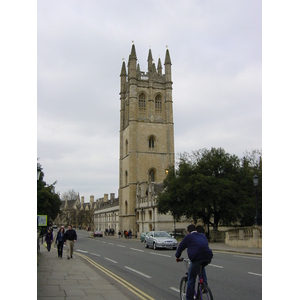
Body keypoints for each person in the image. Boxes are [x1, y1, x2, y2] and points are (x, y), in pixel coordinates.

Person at [175, 224, 213, 300]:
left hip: (196, 259)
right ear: (196, 230)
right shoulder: (202, 235)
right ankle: (204, 285)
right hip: (208, 257)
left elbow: (181, 247)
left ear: (188, 232)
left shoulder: (188, 237)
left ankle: (189, 298)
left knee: (191, 278)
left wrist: (177, 256)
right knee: (201, 267)